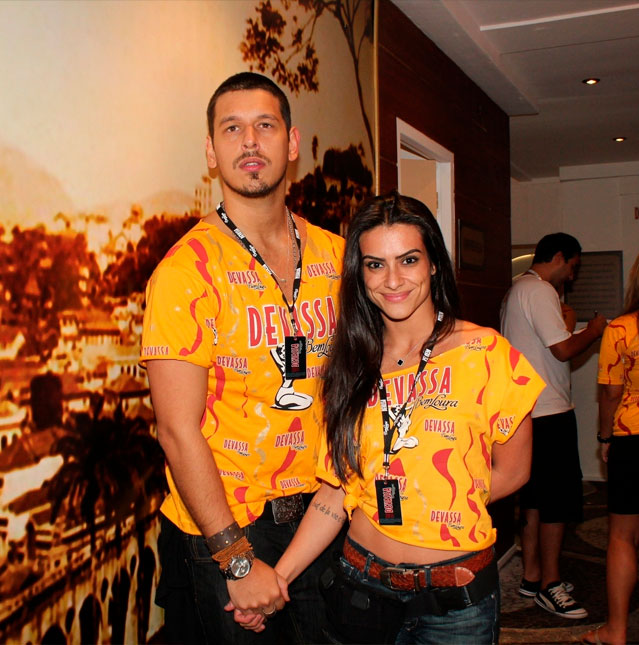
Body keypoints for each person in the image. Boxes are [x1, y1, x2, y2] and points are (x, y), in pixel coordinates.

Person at [244, 192, 544, 644]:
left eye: (408, 260)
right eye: (375, 264)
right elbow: (336, 491)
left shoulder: (486, 353)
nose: (393, 280)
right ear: (360, 273)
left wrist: (433, 501)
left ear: (434, 264)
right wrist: (279, 579)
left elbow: (515, 471)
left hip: (455, 599)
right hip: (359, 587)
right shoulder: (350, 362)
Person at [140, 72, 344, 644]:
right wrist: (234, 557)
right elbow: (176, 430)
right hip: (230, 529)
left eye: (265, 126)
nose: (250, 141)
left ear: (292, 142)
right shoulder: (185, 272)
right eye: (232, 129)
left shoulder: (336, 256)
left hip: (326, 516)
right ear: (211, 152)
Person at [500, 232, 607, 619]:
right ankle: (550, 584)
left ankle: (532, 577)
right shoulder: (540, 290)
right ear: (559, 257)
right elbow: (562, 349)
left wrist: (570, 325)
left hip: (527, 411)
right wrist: (593, 330)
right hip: (549, 412)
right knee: (556, 504)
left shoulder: (517, 289)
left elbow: (548, 346)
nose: (572, 276)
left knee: (533, 502)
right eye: (573, 267)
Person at [582, 244, 639, 645]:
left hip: (635, 441)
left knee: (622, 538)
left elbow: (610, 393)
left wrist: (605, 438)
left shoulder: (620, 328)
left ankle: (616, 631)